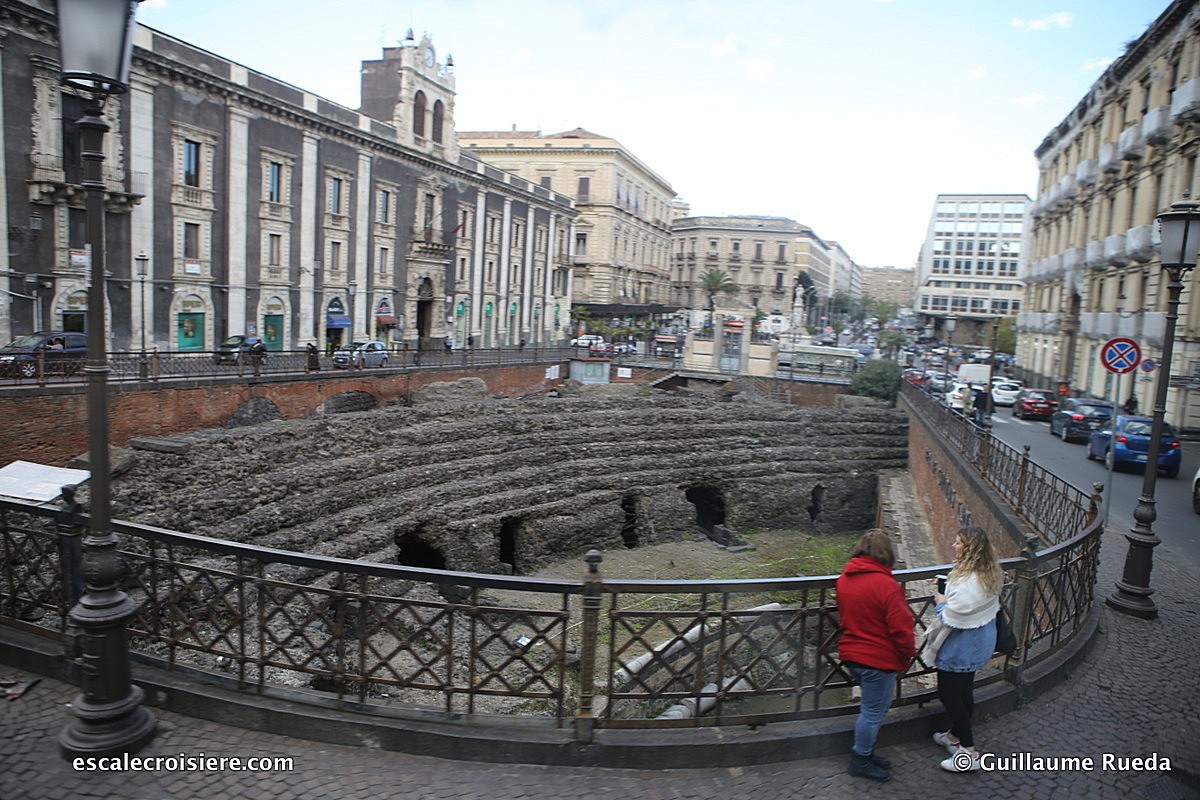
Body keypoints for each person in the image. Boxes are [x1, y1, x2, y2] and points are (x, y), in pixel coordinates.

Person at [836, 529, 916, 782]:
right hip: (877, 659)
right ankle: (860, 759)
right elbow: (902, 628)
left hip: (852, 654)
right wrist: (908, 655)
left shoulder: (844, 579)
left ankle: (867, 753)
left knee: (873, 708)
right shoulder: (887, 586)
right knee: (872, 712)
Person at [927, 526, 1002, 773]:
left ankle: (969, 753)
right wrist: (947, 586)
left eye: (959, 542)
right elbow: (968, 603)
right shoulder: (987, 573)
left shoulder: (970, 581)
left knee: (949, 695)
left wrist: (940, 602)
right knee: (964, 690)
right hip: (979, 643)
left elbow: (953, 616)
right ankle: (954, 737)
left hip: (961, 646)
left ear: (969, 549)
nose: (954, 545)